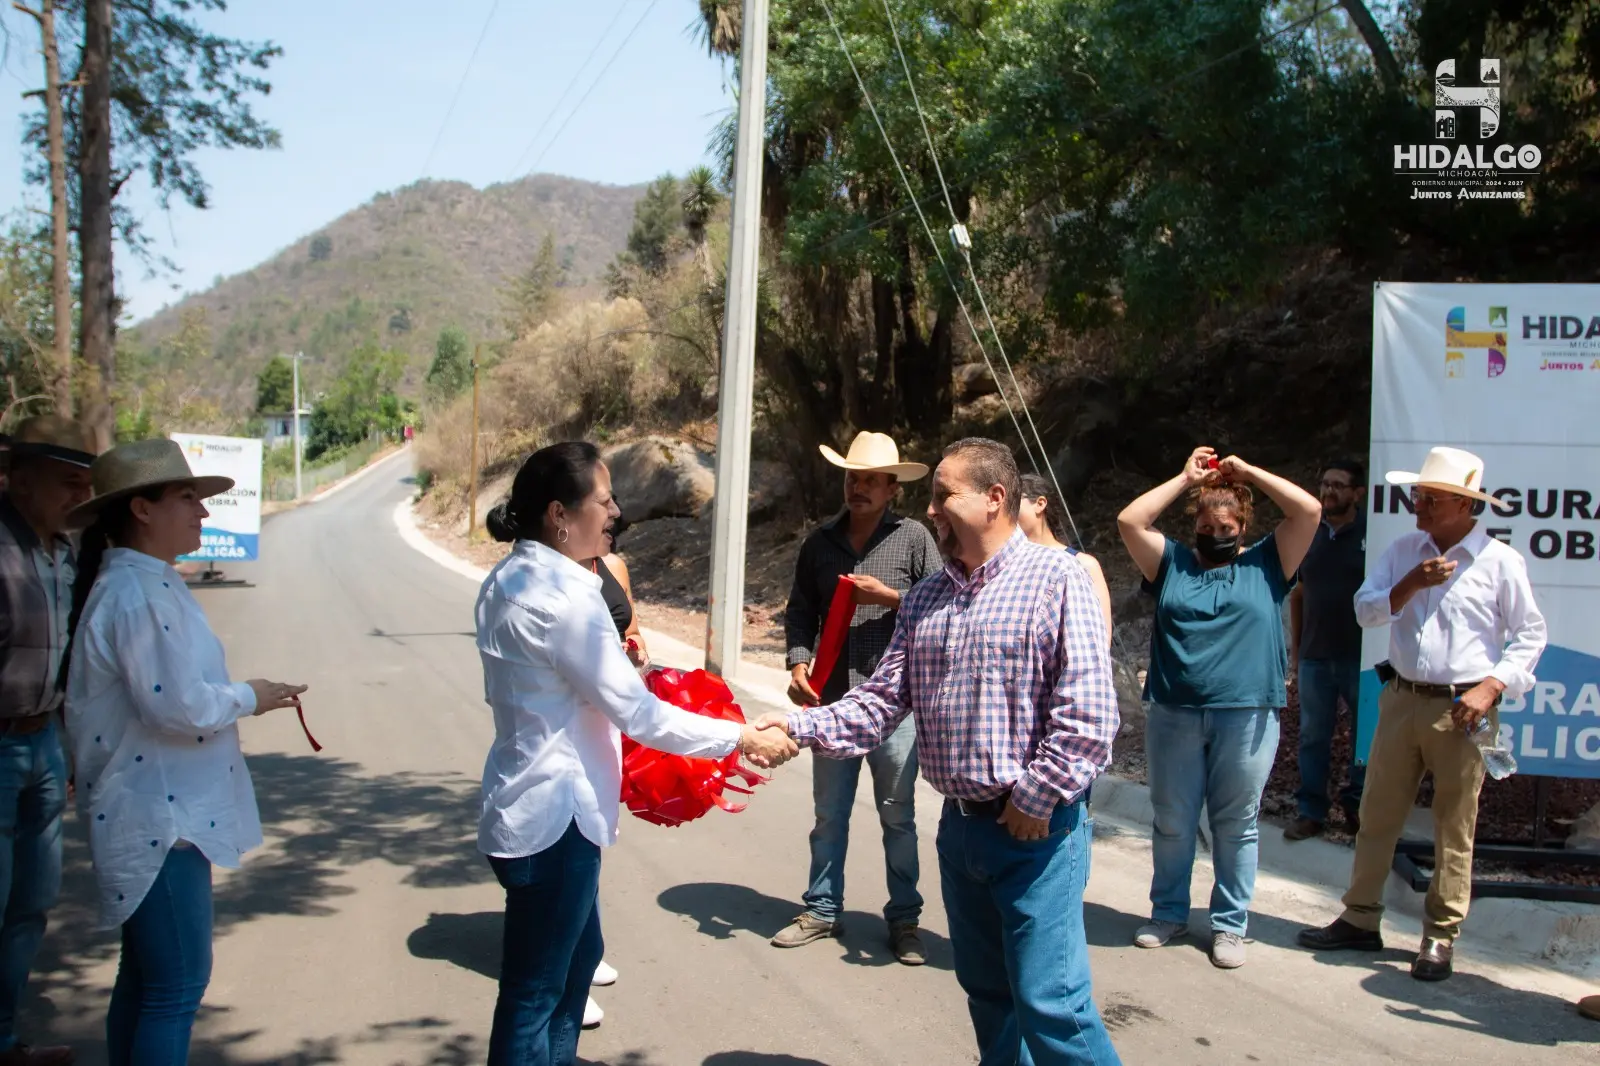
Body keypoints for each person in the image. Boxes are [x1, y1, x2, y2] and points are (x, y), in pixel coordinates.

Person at [759, 437, 1122, 1065]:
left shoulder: (1058, 578)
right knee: (988, 995)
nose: (931, 510)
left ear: (994, 499)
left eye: (943, 495)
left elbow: (1089, 713)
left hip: (1037, 835)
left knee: (1053, 1006)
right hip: (960, 835)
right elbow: (877, 703)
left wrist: (1035, 799)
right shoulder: (926, 600)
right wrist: (796, 728)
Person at [475, 441, 796, 1066]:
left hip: (517, 800)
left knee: (567, 975)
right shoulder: (569, 600)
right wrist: (739, 738)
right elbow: (639, 715)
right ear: (559, 515)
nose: (617, 510)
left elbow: (573, 685)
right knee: (535, 993)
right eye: (603, 500)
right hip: (557, 820)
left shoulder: (507, 578)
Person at [61, 439, 308, 1066]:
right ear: (141, 509)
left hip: (155, 813)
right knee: (174, 989)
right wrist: (254, 695)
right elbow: (176, 705)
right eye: (187, 498)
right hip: (158, 819)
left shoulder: (143, 585)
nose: (202, 513)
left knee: (146, 981)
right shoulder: (137, 595)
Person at [1297, 446, 1545, 983]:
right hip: (1403, 698)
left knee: (1454, 826)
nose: (1420, 505)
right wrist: (1411, 583)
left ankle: (1439, 936)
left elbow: (1530, 635)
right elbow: (1365, 610)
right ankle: (1361, 918)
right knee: (1377, 814)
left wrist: (1493, 685)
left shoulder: (1500, 562)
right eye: (1418, 495)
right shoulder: (1403, 549)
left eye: (1431, 498)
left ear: (1463, 505)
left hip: (1464, 707)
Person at [1116, 446, 1320, 969]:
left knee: (1236, 823)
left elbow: (1308, 511)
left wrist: (1249, 471)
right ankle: (1168, 912)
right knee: (1173, 820)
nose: (1217, 532)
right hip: (1174, 712)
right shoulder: (1173, 563)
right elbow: (1129, 519)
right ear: (1196, 526)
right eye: (1208, 524)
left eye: (1227, 524)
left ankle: (1231, 925)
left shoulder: (1269, 563)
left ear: (1243, 527)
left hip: (1248, 713)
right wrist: (1186, 480)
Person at [778, 431, 938, 964]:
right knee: (829, 814)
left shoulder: (914, 537)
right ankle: (822, 909)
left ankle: (905, 920)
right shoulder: (819, 543)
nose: (859, 488)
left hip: (896, 704)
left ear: (893, 488)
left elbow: (948, 601)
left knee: (898, 814)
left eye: (871, 480)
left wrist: (890, 596)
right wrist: (799, 662)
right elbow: (800, 610)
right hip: (834, 702)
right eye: (853, 478)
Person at [0, 416, 96, 1066]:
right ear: (19, 478)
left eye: (84, 485)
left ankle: (6, 1038)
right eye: (65, 483)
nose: (76, 498)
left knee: (31, 904)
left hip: (43, 743)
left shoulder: (64, 552)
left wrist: (63, 746)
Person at [580, 514, 641, 1029]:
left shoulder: (612, 566)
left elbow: (634, 631)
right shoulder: (552, 581)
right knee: (571, 844)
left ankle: (587, 945)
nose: (615, 512)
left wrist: (634, 651)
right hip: (574, 732)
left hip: (608, 722)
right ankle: (567, 975)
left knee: (594, 840)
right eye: (603, 502)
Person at [1286, 460, 1368, 841]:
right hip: (1315, 655)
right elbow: (1299, 593)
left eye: (1338, 485)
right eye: (1324, 483)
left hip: (1361, 656)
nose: (1328, 490)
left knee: (1363, 737)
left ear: (1358, 493)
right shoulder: (1310, 534)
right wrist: (1296, 650)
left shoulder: (1372, 534)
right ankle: (1310, 811)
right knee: (1313, 736)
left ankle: (1357, 806)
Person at [1017, 472, 1113, 636]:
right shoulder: (1002, 565)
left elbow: (1102, 637)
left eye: (1012, 503)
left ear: (1040, 503)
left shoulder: (1084, 564)